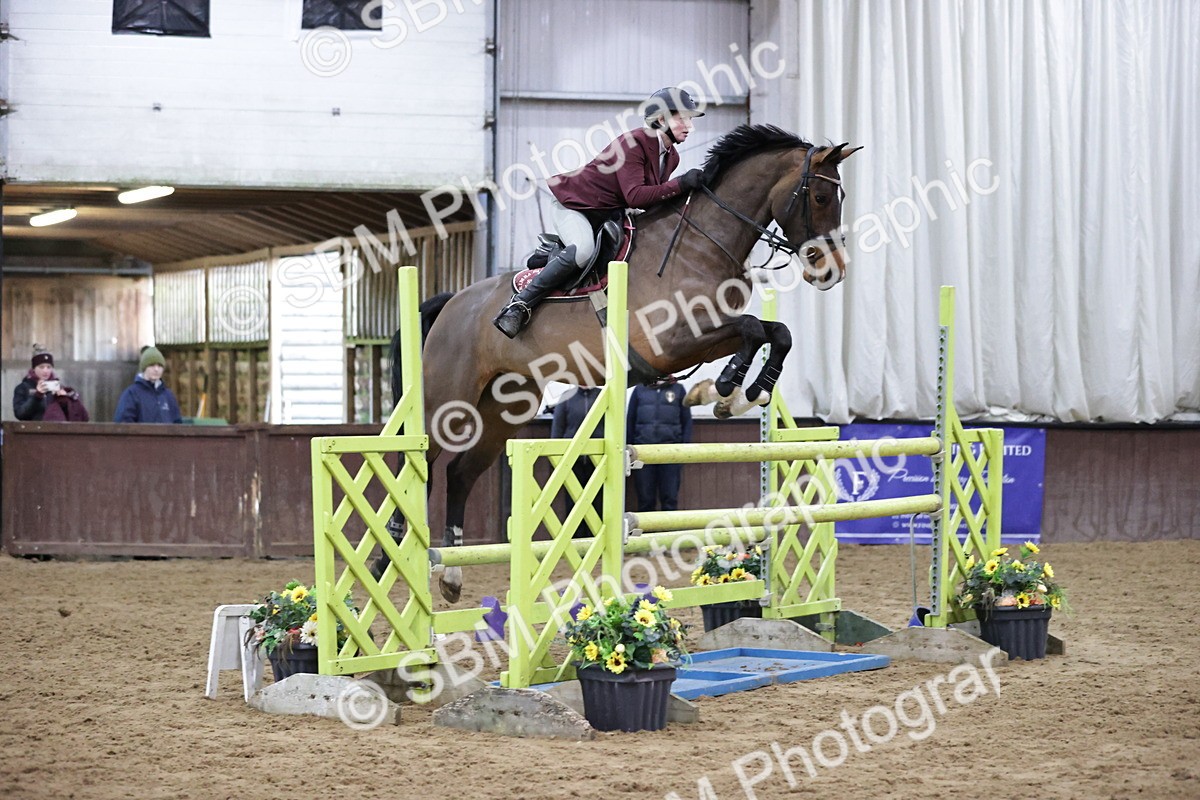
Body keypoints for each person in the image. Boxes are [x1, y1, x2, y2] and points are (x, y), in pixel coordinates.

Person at [493, 86, 708, 338]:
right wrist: (681, 184)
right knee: (583, 251)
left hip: (610, 214)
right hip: (576, 207)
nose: (688, 126)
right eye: (682, 118)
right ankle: (518, 305)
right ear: (661, 119)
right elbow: (636, 196)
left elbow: (654, 199)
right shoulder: (634, 144)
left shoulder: (671, 157)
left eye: (689, 119)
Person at [626, 377, 693, 512]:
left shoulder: (679, 390)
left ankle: (669, 532)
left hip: (671, 454)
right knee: (645, 499)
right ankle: (647, 533)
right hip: (643, 454)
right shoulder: (639, 390)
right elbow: (630, 420)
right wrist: (630, 450)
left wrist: (684, 450)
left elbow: (687, 422)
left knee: (670, 498)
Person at [550, 386, 604, 527]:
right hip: (572, 462)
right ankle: (574, 541)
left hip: (599, 462)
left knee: (597, 503)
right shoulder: (566, 397)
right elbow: (558, 430)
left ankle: (595, 541)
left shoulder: (603, 395)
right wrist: (557, 460)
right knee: (573, 503)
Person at [12, 349, 89, 422]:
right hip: (32, 432)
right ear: (34, 369)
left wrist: (64, 401)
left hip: (55, 432)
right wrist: (37, 396)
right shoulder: (23, 388)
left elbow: (73, 417)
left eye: (49, 367)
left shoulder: (58, 387)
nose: (45, 371)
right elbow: (20, 414)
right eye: (41, 367)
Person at [114, 346, 182, 423]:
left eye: (159, 366)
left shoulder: (168, 396)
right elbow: (123, 423)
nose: (156, 369)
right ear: (144, 368)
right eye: (152, 365)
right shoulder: (132, 394)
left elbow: (177, 424)